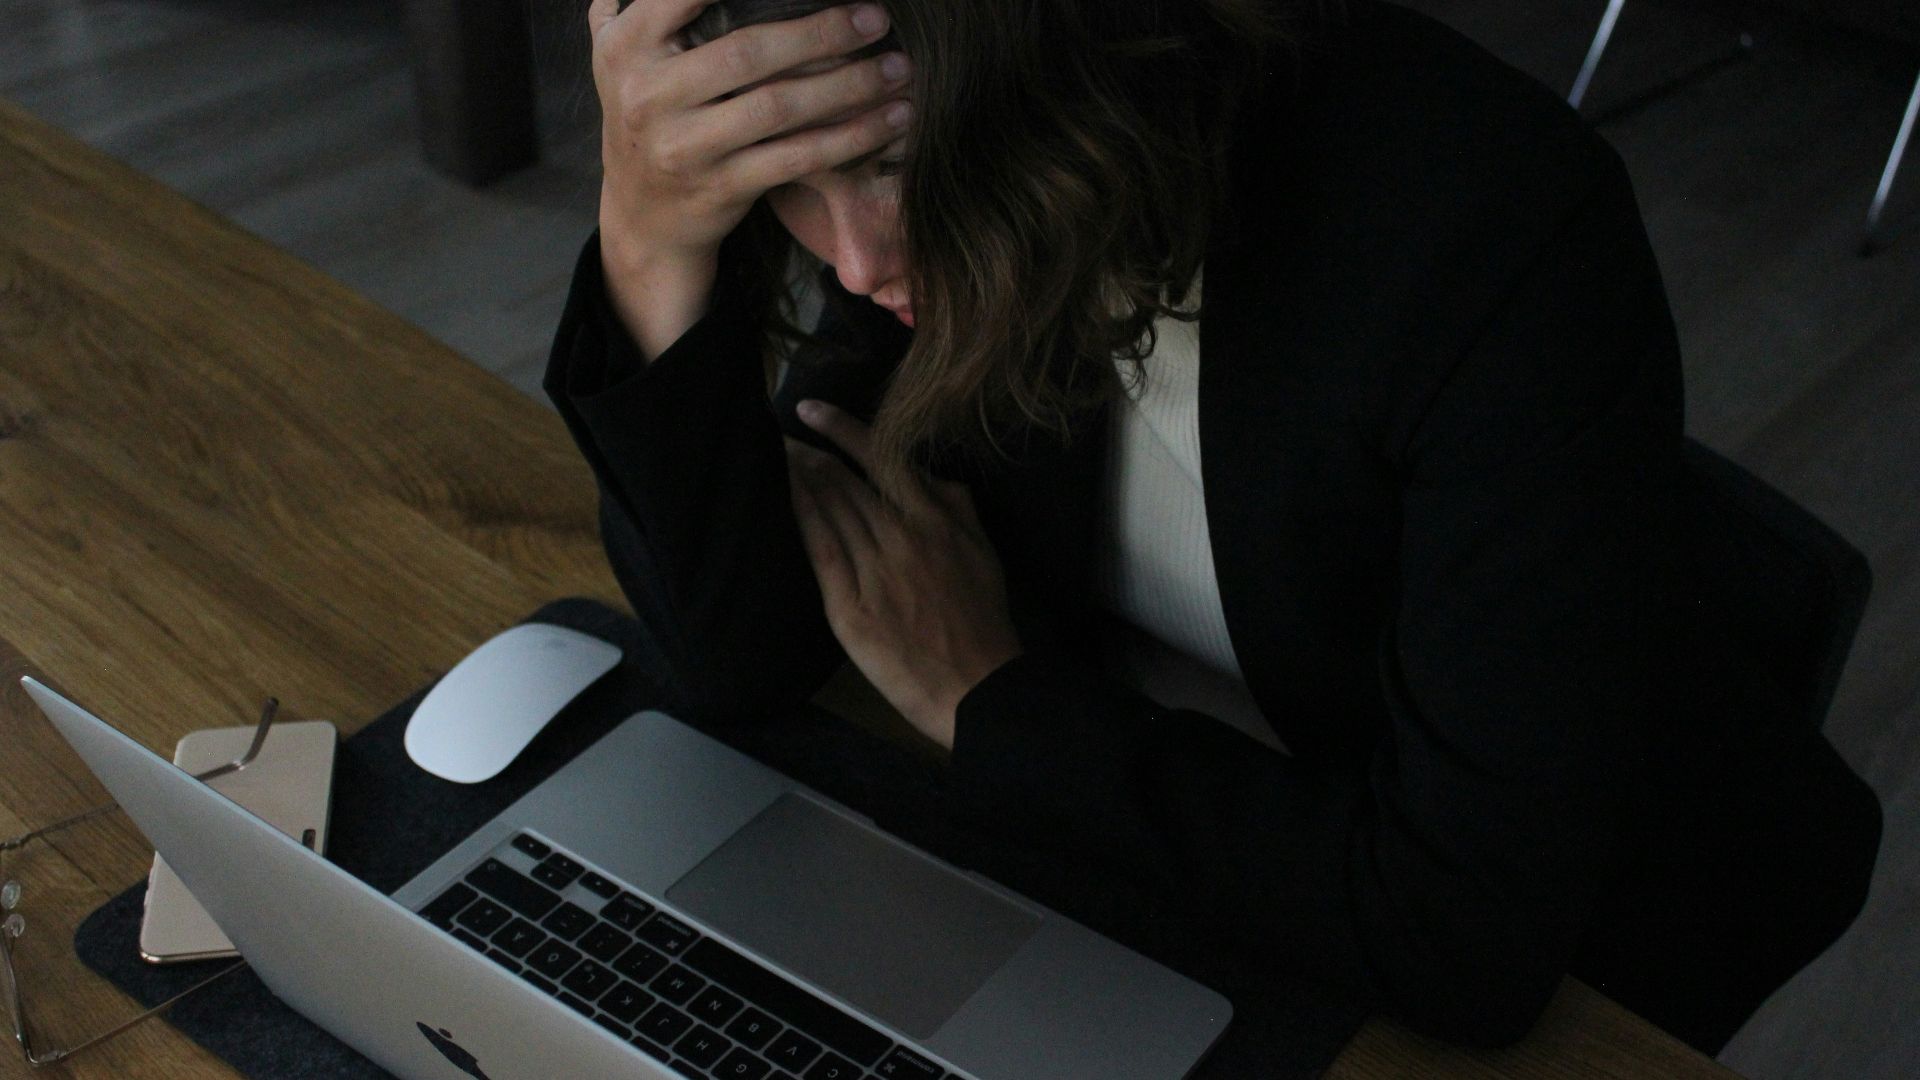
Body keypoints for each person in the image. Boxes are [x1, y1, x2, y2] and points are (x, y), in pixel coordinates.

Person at [549, 0, 1883, 1061]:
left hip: (1560, 953)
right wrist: (650, 239)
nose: (856, 266)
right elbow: (747, 650)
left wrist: (988, 701)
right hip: (1181, 869)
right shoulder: (930, 190)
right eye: (786, 187)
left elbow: (1464, 944)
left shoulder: (1490, 229)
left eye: (891, 173)